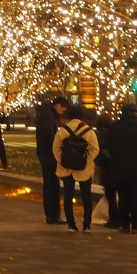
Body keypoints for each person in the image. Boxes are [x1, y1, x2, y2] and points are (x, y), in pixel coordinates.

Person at [105, 103, 137, 233]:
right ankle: (136, 225)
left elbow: (108, 144)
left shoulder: (115, 126)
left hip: (119, 167)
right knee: (135, 198)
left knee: (122, 197)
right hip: (136, 168)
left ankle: (124, 224)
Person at [53, 105, 99, 232]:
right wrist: (85, 161)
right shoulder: (88, 131)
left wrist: (63, 161)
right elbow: (95, 149)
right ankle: (87, 224)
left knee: (68, 196)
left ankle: (71, 224)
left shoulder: (62, 131)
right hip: (85, 169)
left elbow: (55, 149)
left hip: (66, 169)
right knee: (86, 196)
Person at [35, 96, 67, 225]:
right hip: (48, 154)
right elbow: (49, 135)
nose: (62, 112)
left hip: (45, 153)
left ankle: (52, 214)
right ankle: (53, 214)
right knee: (51, 184)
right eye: (63, 109)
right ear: (58, 106)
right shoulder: (47, 115)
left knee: (50, 183)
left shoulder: (45, 113)